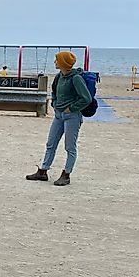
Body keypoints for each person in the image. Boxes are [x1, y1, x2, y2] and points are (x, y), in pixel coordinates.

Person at [26, 51, 92, 186]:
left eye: (57, 60)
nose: (55, 62)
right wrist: (54, 103)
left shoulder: (76, 78)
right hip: (58, 115)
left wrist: (71, 108)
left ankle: (66, 174)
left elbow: (86, 98)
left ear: (63, 63)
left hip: (72, 117)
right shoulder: (59, 76)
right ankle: (43, 171)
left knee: (69, 147)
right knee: (51, 143)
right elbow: (54, 91)